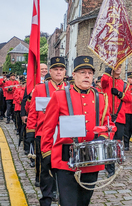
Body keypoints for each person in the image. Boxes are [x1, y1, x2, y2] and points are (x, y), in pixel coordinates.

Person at [41, 56, 114, 206]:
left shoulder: (100, 98)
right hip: (65, 159)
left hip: (91, 160)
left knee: (83, 202)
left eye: (89, 72)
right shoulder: (59, 96)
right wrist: (47, 153)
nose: (87, 75)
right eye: (82, 72)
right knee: (68, 202)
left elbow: (109, 124)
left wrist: (102, 136)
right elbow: (48, 127)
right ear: (73, 75)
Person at [26, 57, 67, 205]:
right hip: (44, 133)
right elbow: (32, 112)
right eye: (55, 69)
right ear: (50, 72)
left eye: (61, 69)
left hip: (63, 134)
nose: (58, 72)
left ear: (65, 72)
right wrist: (30, 132)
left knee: (62, 166)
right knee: (45, 166)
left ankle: (58, 190)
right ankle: (47, 196)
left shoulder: (68, 89)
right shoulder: (40, 88)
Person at [101, 64, 132, 176]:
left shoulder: (124, 84)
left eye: (120, 66)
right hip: (108, 117)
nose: (118, 68)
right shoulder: (108, 80)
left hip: (119, 117)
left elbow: (129, 99)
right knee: (108, 142)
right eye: (116, 66)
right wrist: (108, 69)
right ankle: (110, 167)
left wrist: (119, 94)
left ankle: (113, 162)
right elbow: (103, 81)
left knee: (116, 142)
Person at [123, 72, 132, 150]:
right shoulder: (125, 86)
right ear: (128, 78)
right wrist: (130, 95)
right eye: (130, 78)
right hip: (127, 109)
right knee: (126, 128)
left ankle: (128, 139)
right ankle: (126, 144)